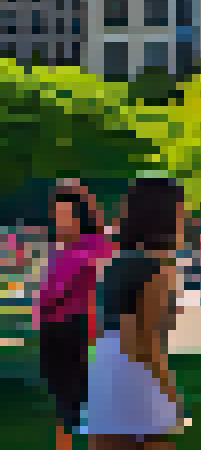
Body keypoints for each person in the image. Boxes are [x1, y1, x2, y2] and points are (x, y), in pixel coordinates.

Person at [83, 178, 188, 448]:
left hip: (104, 369)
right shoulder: (158, 267)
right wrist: (170, 392)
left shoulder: (114, 265)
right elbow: (142, 340)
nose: (184, 219)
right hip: (137, 373)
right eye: (180, 211)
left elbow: (105, 327)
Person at [37, 181, 112, 450]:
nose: (61, 221)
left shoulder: (93, 245)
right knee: (63, 402)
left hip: (77, 327)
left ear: (81, 217)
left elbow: (62, 290)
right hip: (53, 330)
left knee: (85, 400)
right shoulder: (60, 250)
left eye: (67, 215)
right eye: (57, 215)